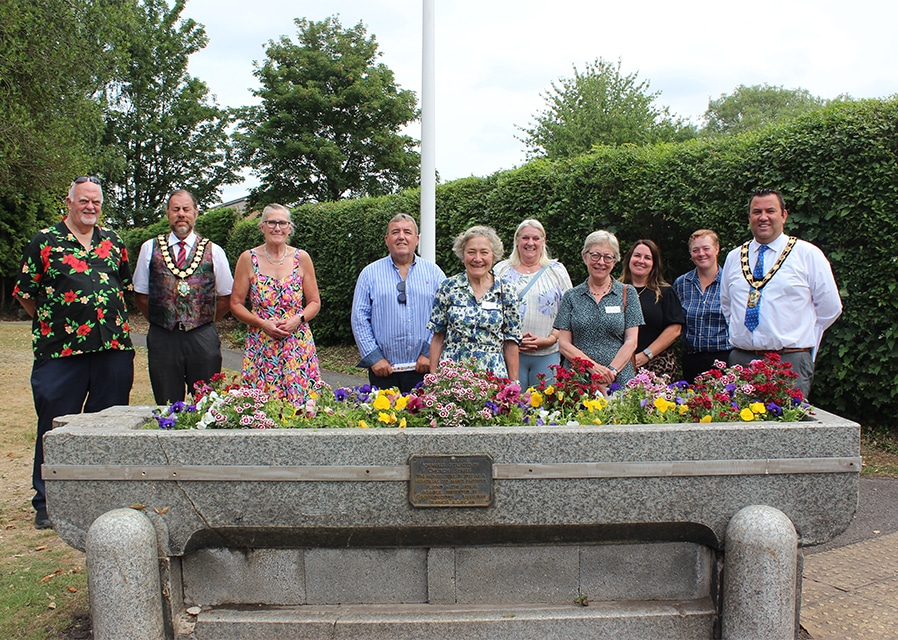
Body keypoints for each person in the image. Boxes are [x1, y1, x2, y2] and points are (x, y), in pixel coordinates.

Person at [13, 176, 134, 529]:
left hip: (112, 348)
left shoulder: (113, 242)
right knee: (55, 424)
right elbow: (25, 293)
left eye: (96, 201)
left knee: (108, 425)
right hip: (60, 352)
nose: (90, 207)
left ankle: (102, 497)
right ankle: (47, 501)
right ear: (69, 202)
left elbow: (124, 287)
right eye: (83, 200)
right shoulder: (44, 241)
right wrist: (55, 322)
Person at [720, 189, 842, 398]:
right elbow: (727, 305)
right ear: (749, 217)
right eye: (756, 212)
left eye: (770, 211)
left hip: (788, 362)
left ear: (784, 215)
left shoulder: (807, 254)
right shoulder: (734, 257)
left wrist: (797, 334)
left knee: (787, 418)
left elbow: (830, 308)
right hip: (741, 360)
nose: (763, 217)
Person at [133, 190, 233, 404]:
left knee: (207, 403)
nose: (181, 214)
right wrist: (160, 318)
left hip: (202, 337)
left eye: (186, 209)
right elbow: (140, 295)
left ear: (195, 212)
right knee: (167, 404)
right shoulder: (149, 248)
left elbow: (226, 296)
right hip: (163, 338)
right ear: (168, 213)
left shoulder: (214, 250)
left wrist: (205, 320)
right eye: (175, 209)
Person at [230, 204, 321, 404]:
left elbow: (314, 302)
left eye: (282, 223)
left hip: (297, 344)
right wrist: (262, 323)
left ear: (290, 228)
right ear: (262, 227)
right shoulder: (248, 259)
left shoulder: (302, 258)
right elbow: (236, 304)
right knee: (263, 405)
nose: (277, 228)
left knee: (301, 405)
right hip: (262, 343)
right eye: (271, 222)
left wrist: (297, 319)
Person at [351, 214, 446, 392]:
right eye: (395, 232)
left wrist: (429, 353)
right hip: (383, 370)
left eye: (407, 232)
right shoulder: (369, 274)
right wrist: (374, 357)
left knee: (424, 411)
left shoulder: (435, 273)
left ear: (417, 239)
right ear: (387, 240)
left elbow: (444, 317)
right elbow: (359, 319)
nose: (401, 236)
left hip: (425, 367)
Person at [427, 225, 521, 380]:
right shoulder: (448, 287)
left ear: (493, 256)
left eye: (484, 252)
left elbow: (511, 342)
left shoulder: (506, 290)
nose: (477, 259)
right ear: (462, 255)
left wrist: (514, 382)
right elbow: (438, 336)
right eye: (471, 252)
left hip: (493, 376)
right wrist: (433, 378)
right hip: (453, 375)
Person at [554, 231, 643, 386]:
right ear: (585, 257)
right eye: (595, 255)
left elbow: (631, 341)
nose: (601, 262)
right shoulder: (571, 296)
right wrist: (593, 368)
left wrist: (611, 371)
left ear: (614, 261)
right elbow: (564, 344)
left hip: (617, 379)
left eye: (608, 257)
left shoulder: (628, 293)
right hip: (578, 380)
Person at [494, 219, 572, 388]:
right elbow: (490, 310)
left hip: (548, 354)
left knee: (545, 403)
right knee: (511, 402)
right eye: (525, 238)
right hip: (509, 354)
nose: (530, 243)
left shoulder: (556, 270)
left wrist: (551, 339)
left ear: (543, 241)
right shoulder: (500, 270)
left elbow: (568, 310)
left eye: (536, 238)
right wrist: (511, 339)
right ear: (517, 240)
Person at [620, 239, 685, 379]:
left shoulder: (665, 292)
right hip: (619, 365)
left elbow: (675, 329)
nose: (641, 261)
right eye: (637, 255)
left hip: (657, 366)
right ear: (629, 258)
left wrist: (646, 355)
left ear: (654, 263)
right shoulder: (614, 291)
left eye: (647, 258)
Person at [673, 229, 733, 383]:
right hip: (691, 360)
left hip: (724, 359)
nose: (701, 254)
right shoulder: (682, 283)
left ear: (717, 249)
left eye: (706, 248)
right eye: (695, 250)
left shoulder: (730, 282)